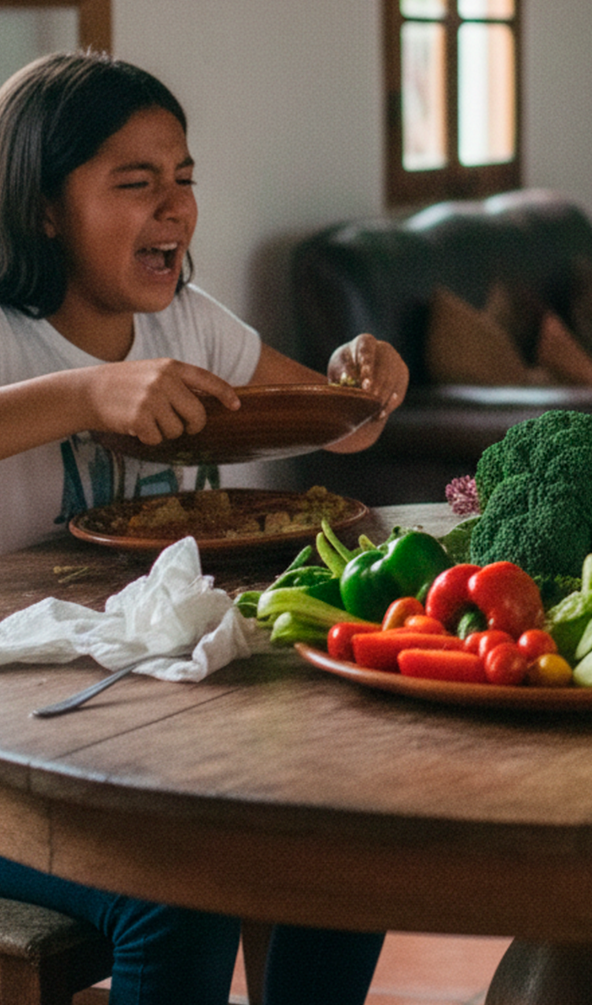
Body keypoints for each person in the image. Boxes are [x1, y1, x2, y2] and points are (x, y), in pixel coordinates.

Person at [0, 50, 407, 1005]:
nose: (176, 208)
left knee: (336, 835)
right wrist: (86, 392)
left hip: (123, 716)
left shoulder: (189, 324)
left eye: (183, 180)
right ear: (46, 207)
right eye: (135, 184)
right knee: (179, 892)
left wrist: (368, 388)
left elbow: (338, 422)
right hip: (13, 756)